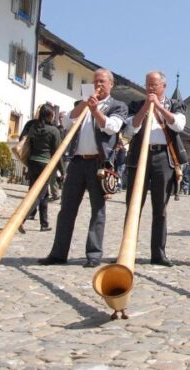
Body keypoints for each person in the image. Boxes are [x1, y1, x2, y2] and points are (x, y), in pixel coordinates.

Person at [38, 69, 128, 268]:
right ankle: (58, 253)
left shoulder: (117, 106)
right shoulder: (82, 104)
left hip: (99, 163)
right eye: (95, 81)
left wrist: (95, 110)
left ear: (111, 84)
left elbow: (111, 127)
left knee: (97, 210)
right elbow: (67, 122)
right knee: (66, 209)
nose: (98, 84)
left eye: (102, 81)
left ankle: (94, 254)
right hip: (77, 162)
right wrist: (84, 105)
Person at [123, 71, 187, 267]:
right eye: (148, 85)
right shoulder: (136, 105)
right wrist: (145, 108)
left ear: (163, 87)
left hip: (163, 157)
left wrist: (158, 106)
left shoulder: (175, 105)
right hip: (138, 156)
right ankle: (127, 251)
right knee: (133, 206)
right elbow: (129, 130)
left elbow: (179, 126)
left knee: (160, 208)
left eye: (154, 85)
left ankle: (158, 253)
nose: (150, 88)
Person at [18, 104, 61, 234]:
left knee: (41, 193)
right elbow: (57, 152)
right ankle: (22, 218)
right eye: (53, 115)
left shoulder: (32, 127)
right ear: (49, 115)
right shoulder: (53, 131)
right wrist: (62, 172)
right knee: (39, 194)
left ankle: (44, 223)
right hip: (45, 165)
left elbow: (26, 142)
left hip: (32, 163)